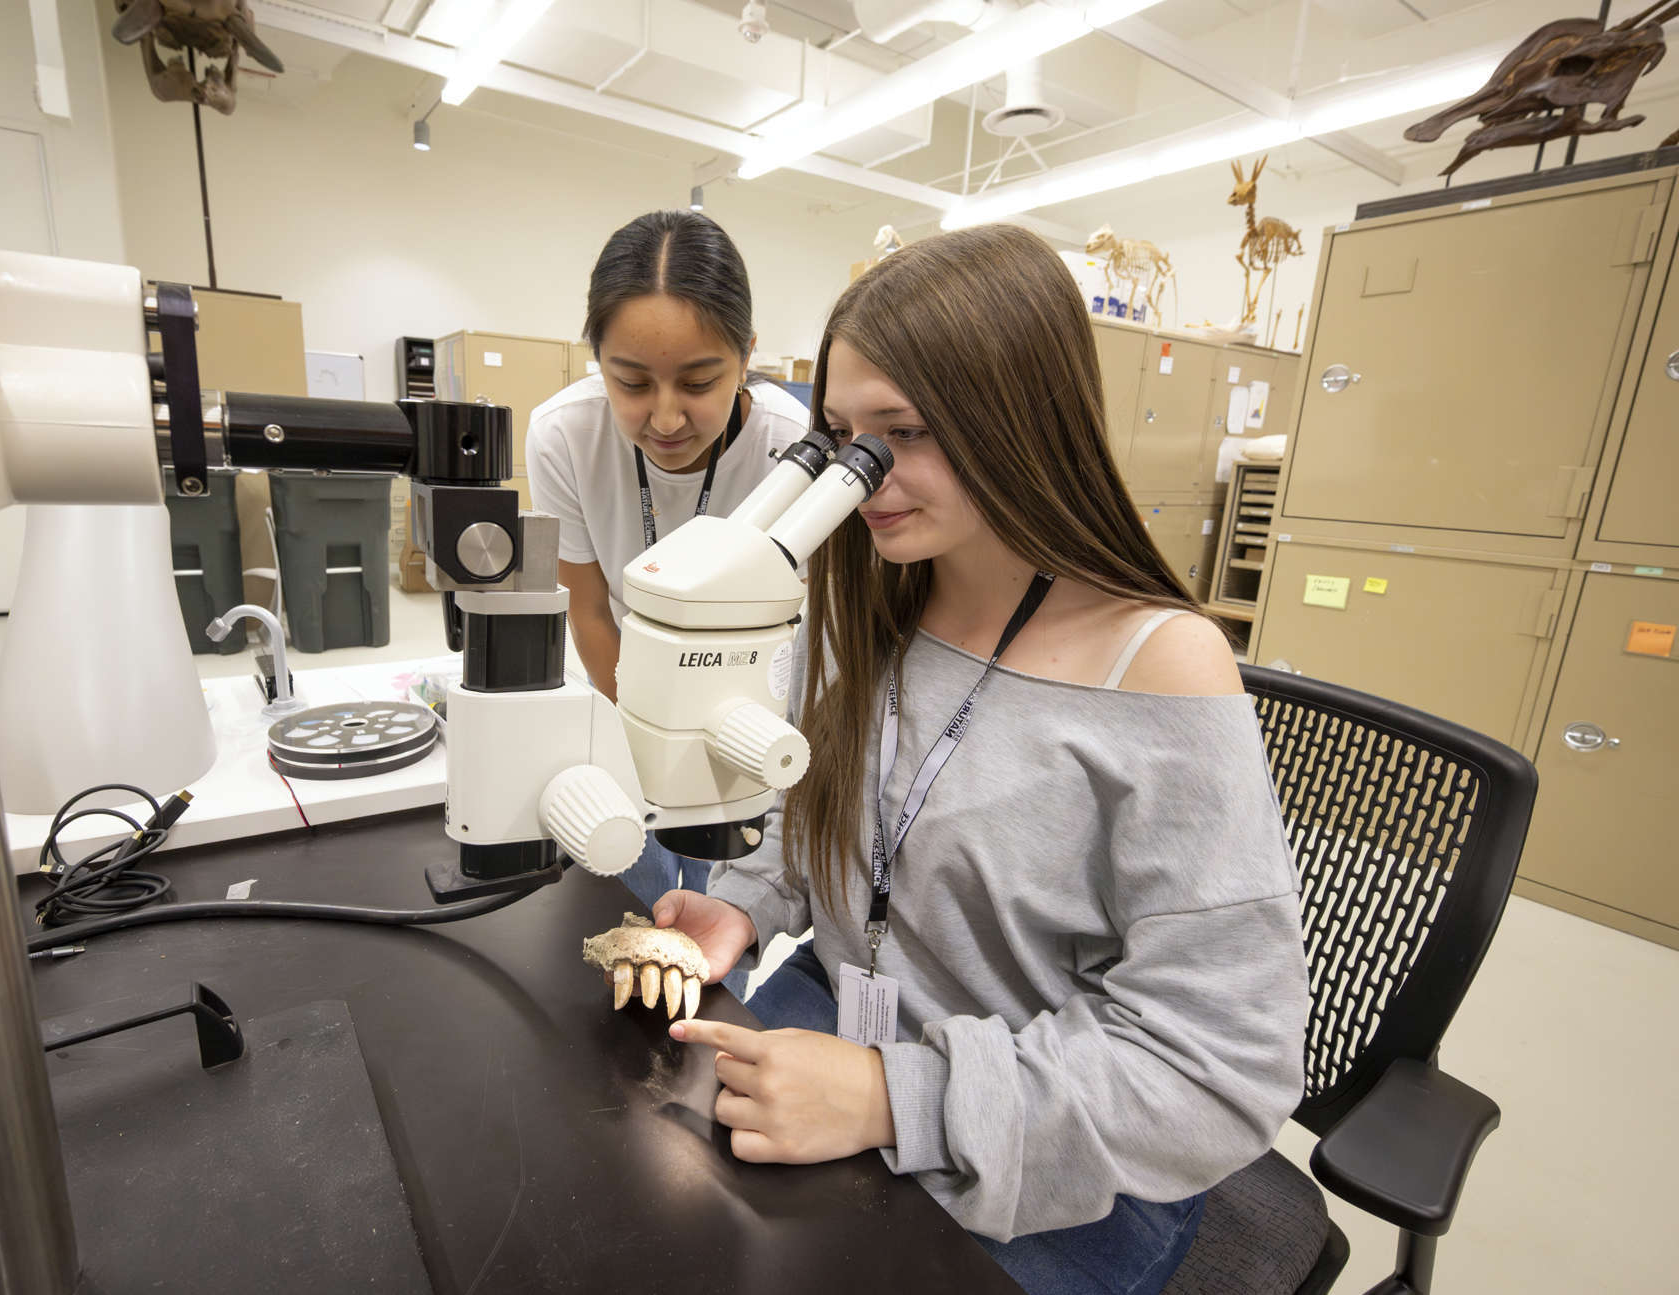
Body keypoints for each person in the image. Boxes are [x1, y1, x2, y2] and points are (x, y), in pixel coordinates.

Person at [650, 224, 1311, 1295]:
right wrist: (746, 903)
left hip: (1047, 1139)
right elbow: (823, 817)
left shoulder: (1159, 666)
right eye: (842, 436)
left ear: (1020, 419)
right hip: (845, 1028)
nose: (864, 477)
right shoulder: (864, 600)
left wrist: (892, 1096)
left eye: (903, 432)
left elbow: (1217, 1065)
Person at [526, 211, 809, 917]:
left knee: (720, 921)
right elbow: (589, 610)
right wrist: (646, 748)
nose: (666, 418)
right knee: (630, 905)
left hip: (746, 694)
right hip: (628, 677)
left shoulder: (792, 450)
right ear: (597, 359)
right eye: (630, 383)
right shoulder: (564, 435)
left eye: (699, 381)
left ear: (746, 353)